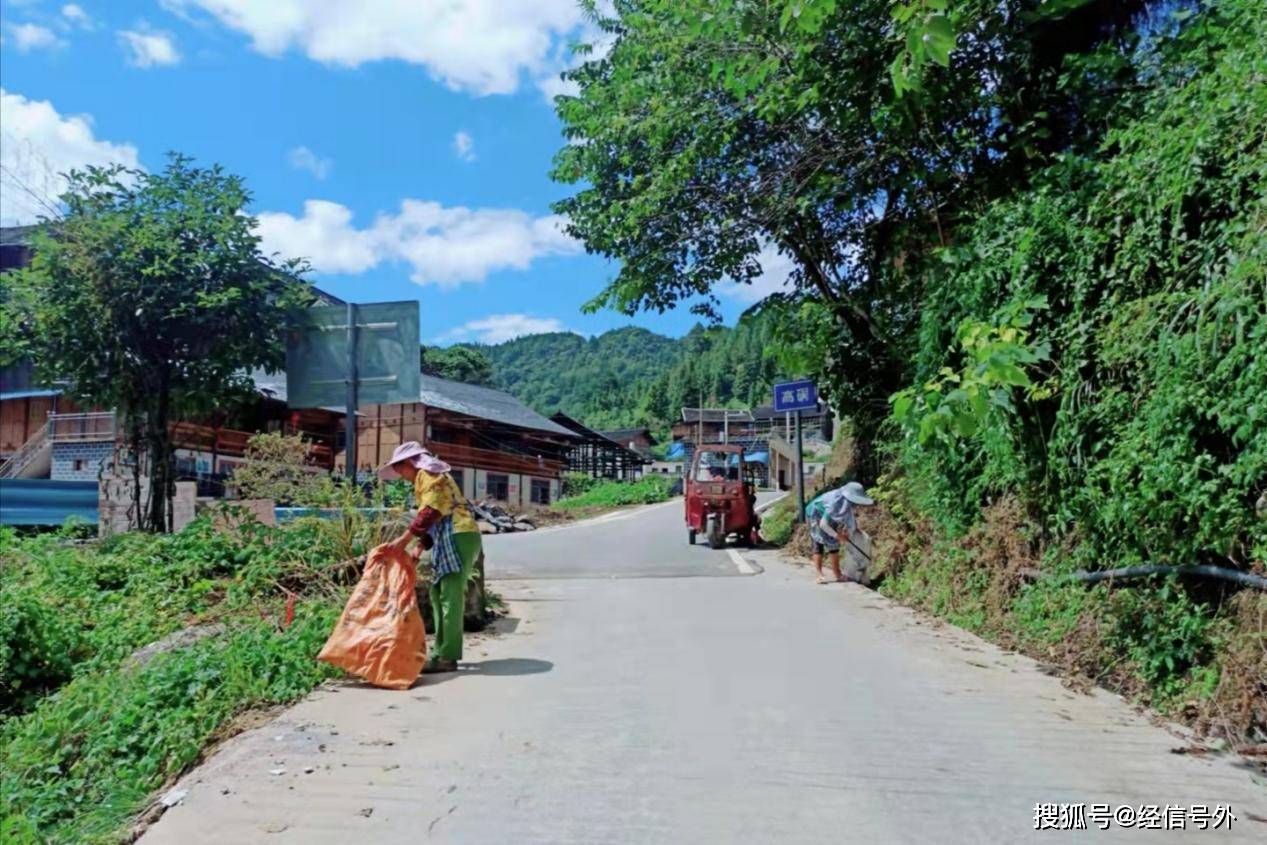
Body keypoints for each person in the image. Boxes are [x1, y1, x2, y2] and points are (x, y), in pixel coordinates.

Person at [379, 441, 482, 673]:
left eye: (398, 468)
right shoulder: (430, 476)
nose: (398, 474)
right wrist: (417, 549)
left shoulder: (427, 474)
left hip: (458, 534)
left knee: (450, 596)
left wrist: (403, 541)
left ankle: (447, 657)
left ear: (409, 463)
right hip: (453, 534)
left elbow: (430, 512)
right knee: (438, 594)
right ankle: (441, 652)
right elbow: (434, 518)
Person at [805, 481, 874, 584]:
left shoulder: (846, 502)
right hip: (815, 514)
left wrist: (852, 529)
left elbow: (849, 517)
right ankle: (819, 574)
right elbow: (823, 524)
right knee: (818, 544)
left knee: (834, 546)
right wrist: (838, 536)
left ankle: (838, 574)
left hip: (828, 518)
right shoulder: (835, 502)